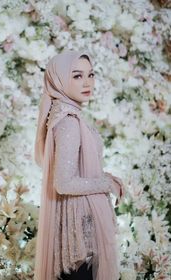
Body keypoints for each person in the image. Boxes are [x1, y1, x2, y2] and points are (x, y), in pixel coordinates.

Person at [34, 50, 125, 280]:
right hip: (78, 234)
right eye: (77, 76)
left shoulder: (65, 115)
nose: (87, 82)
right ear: (60, 80)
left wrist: (107, 178)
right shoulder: (69, 122)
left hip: (78, 227)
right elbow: (64, 183)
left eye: (91, 74)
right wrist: (105, 183)